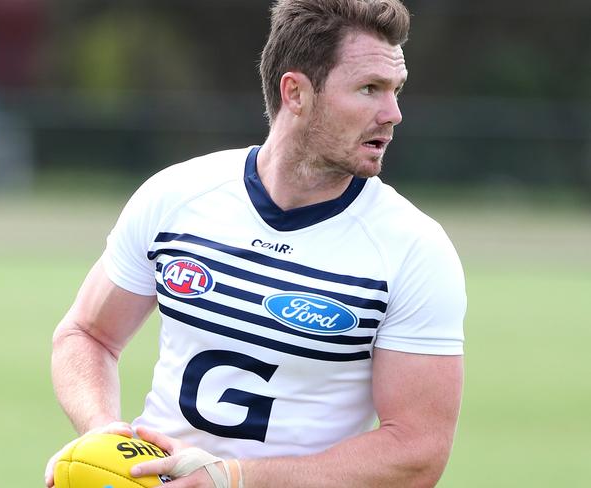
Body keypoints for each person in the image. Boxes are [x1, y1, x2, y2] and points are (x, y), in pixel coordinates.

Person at [46, 0, 466, 486]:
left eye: (396, 90)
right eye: (369, 89)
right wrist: (102, 438)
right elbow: (87, 335)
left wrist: (234, 478)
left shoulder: (414, 250)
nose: (392, 114)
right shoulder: (177, 196)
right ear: (296, 93)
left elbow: (417, 452)